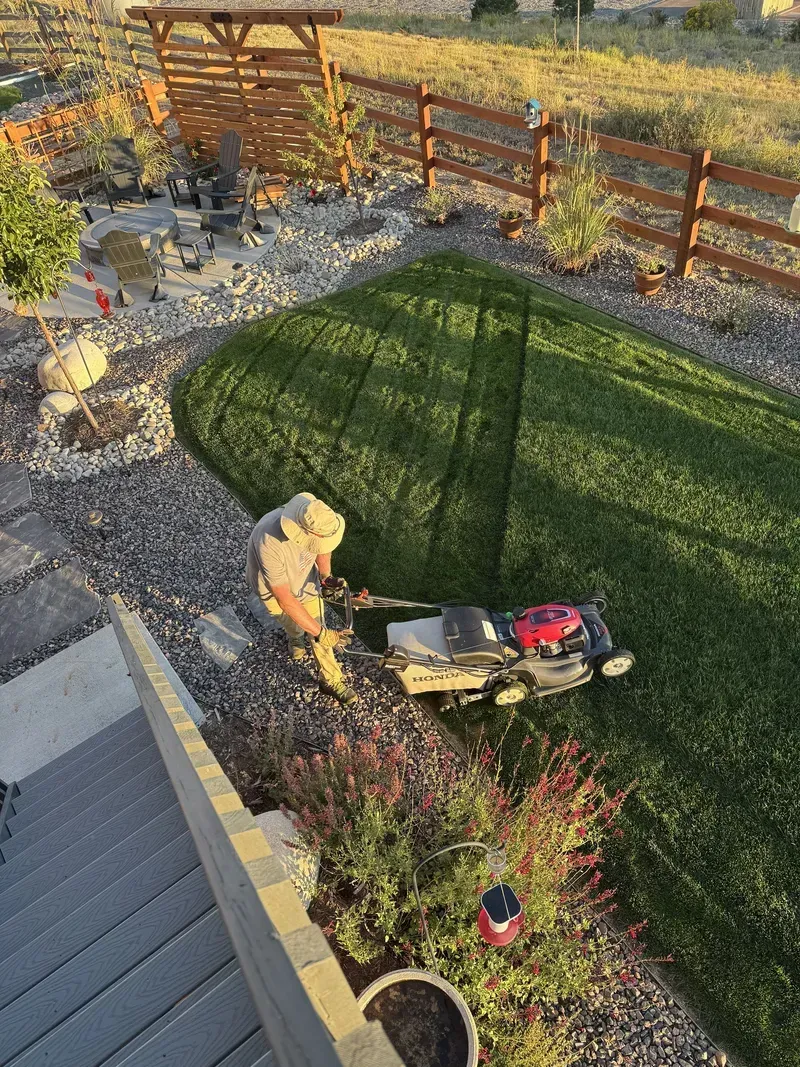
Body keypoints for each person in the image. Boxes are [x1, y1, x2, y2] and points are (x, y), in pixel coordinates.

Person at [246, 492, 357, 706]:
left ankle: (330, 680)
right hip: (273, 591)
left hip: (305, 582)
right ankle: (295, 637)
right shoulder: (268, 540)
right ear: (303, 534)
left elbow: (323, 549)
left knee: (317, 629)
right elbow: (284, 598)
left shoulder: (312, 511)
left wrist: (326, 578)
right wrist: (321, 634)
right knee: (295, 623)